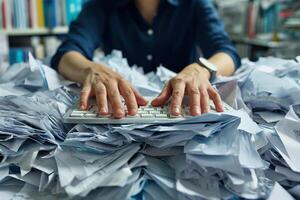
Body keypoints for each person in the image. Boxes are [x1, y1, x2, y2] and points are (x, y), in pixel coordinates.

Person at [51, 0, 241, 119]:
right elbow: (67, 53)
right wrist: (90, 70)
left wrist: (201, 69)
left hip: (181, 106)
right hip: (121, 110)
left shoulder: (195, 3)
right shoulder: (101, 5)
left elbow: (226, 51)